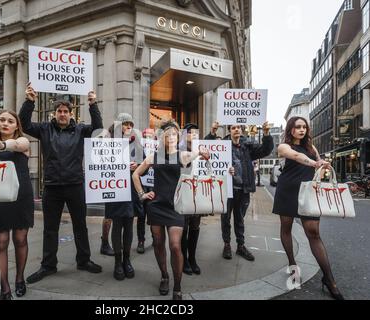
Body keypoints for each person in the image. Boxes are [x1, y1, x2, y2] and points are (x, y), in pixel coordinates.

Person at [19, 83, 103, 284]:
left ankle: (84, 260)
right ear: (54, 114)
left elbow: (98, 129)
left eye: (66, 111)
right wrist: (29, 101)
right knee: (50, 228)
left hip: (75, 185)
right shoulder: (45, 129)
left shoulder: (81, 130)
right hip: (52, 187)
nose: (63, 114)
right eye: (59, 111)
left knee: (80, 226)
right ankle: (48, 265)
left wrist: (93, 105)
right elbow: (24, 124)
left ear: (71, 114)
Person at [132, 120, 209, 300]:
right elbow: (136, 175)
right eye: (169, 135)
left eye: (175, 134)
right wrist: (142, 194)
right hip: (156, 206)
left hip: (175, 207)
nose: (172, 137)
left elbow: (197, 154)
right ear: (163, 138)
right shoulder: (154, 156)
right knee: (158, 244)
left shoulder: (182, 156)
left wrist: (202, 152)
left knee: (175, 246)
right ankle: (165, 276)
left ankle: (178, 285)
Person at [273, 117, 344, 300]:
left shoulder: (312, 148)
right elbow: (296, 157)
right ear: (291, 130)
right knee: (286, 227)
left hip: (308, 193)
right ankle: (292, 266)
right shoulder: (283, 147)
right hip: (288, 191)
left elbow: (319, 167)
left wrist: (323, 166)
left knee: (313, 233)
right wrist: (314, 163)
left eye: (304, 127)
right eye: (298, 127)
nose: (302, 130)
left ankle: (329, 279)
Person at [0, 110, 34, 300]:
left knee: (20, 240)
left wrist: (2, 144)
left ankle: (20, 278)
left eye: (10, 121)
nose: (5, 123)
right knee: (0, 243)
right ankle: (5, 290)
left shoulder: (23, 142)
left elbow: (16, 145)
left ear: (16, 126)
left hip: (21, 197)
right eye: (2, 120)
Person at [221, 122, 273, 262]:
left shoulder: (248, 146)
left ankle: (240, 246)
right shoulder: (222, 145)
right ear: (229, 130)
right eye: (233, 128)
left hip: (243, 189)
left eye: (239, 127)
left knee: (240, 219)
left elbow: (265, 150)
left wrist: (267, 134)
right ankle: (226, 245)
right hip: (227, 189)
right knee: (225, 218)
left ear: (242, 130)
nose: (236, 129)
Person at [105, 113, 142, 280]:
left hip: (131, 189)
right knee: (117, 224)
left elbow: (145, 166)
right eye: (125, 124)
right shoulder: (109, 142)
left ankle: (127, 260)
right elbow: (101, 165)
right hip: (115, 189)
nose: (128, 127)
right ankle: (118, 262)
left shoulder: (137, 143)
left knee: (128, 225)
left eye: (130, 124)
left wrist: (138, 167)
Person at [179, 123, 202, 275]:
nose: (193, 135)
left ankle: (192, 259)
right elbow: (184, 161)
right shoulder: (179, 151)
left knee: (195, 226)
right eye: (190, 132)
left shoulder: (201, 150)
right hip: (183, 192)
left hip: (198, 192)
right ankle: (184, 260)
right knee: (184, 227)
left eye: (196, 132)